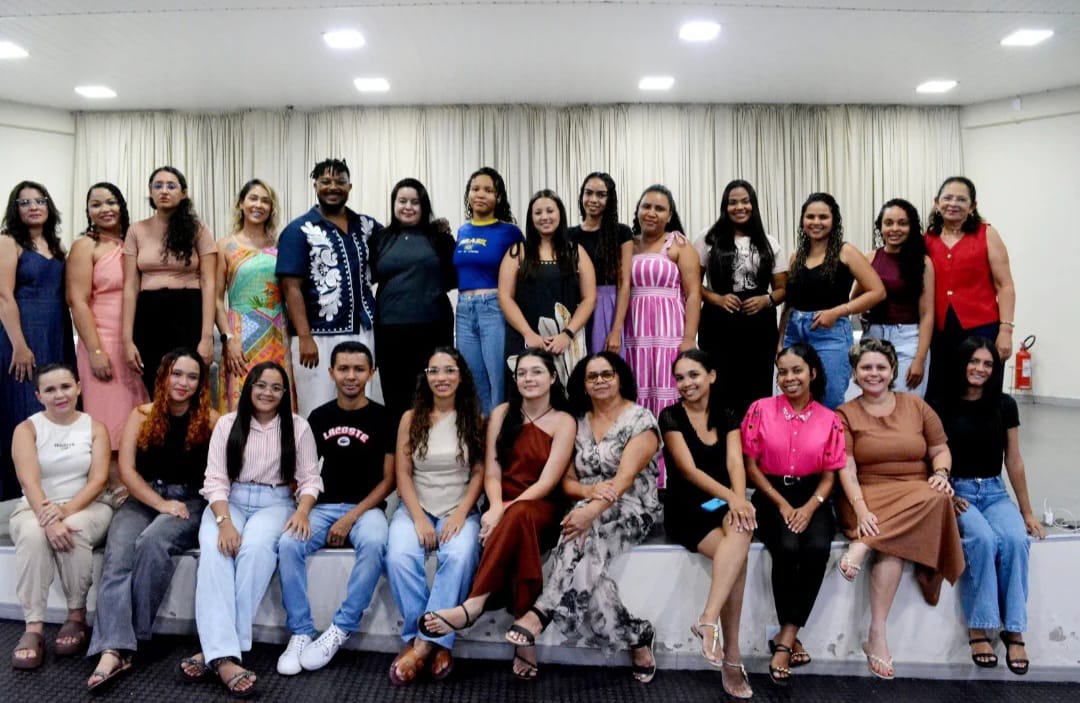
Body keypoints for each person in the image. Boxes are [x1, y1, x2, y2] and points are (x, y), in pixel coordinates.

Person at [505, 352, 662, 684]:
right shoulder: (576, 423)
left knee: (580, 534)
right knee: (585, 549)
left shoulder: (640, 419)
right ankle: (637, 635)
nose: (600, 381)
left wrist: (591, 511)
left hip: (631, 509)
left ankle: (543, 610)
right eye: (593, 376)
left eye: (607, 374)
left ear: (620, 378)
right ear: (584, 384)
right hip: (584, 506)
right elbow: (567, 483)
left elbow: (624, 479)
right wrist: (588, 496)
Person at [420, 349, 575, 680]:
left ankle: (474, 604)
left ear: (553, 377)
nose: (528, 379)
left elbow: (547, 482)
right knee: (518, 525)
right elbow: (491, 472)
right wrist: (494, 507)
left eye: (537, 372)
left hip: (542, 507)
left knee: (520, 515)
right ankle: (524, 636)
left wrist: (503, 510)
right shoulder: (503, 413)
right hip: (501, 504)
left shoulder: (564, 421)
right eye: (522, 373)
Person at [181, 361, 321, 698]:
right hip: (230, 500)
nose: (267, 393)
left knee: (256, 552)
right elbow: (215, 480)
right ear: (249, 387)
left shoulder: (298, 426)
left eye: (276, 388)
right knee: (215, 553)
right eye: (261, 385)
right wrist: (224, 523)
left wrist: (303, 511)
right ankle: (226, 658)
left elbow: (309, 479)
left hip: (276, 502)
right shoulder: (227, 423)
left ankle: (216, 651)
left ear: (284, 393)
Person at [86, 349, 218, 693]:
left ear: (201, 384)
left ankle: (131, 639)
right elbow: (127, 470)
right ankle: (112, 649)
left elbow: (219, 473)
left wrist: (174, 506)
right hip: (145, 497)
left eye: (192, 376)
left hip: (190, 501)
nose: (183, 382)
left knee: (152, 541)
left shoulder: (211, 420)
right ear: (163, 376)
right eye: (177, 374)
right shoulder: (141, 415)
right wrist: (160, 503)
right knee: (118, 553)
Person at [835, 337, 964, 680]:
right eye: (866, 367)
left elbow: (940, 450)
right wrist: (861, 509)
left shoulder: (916, 406)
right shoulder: (844, 414)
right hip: (866, 493)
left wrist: (940, 473)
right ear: (855, 373)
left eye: (880, 367)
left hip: (913, 492)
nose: (873, 373)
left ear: (892, 370)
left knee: (938, 496)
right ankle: (877, 634)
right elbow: (846, 468)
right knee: (899, 537)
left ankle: (866, 548)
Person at [276, 342, 395, 675]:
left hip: (366, 510)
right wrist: (302, 510)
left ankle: (340, 628)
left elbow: (390, 480)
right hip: (323, 507)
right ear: (331, 373)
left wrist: (350, 518)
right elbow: (306, 472)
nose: (351, 376)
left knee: (375, 542)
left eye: (359, 369)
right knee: (288, 543)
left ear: (371, 373)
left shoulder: (385, 418)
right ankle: (301, 631)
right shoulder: (319, 417)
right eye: (343, 369)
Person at [938, 336, 1045, 675]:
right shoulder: (942, 403)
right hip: (958, 493)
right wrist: (946, 495)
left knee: (1015, 540)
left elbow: (1014, 460)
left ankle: (1014, 629)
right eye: (974, 361)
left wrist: (1026, 512)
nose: (980, 369)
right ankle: (979, 627)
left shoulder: (1005, 405)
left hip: (995, 492)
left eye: (987, 364)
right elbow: (931, 455)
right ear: (962, 363)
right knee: (982, 540)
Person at [741, 344, 846, 686]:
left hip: (814, 495)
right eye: (783, 372)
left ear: (812, 373)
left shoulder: (830, 419)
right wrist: (783, 506)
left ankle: (786, 636)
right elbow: (751, 467)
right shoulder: (760, 409)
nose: (789, 378)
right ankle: (790, 640)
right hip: (771, 493)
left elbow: (830, 476)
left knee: (816, 548)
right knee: (787, 547)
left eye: (797, 370)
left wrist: (809, 506)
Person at [386, 346, 485, 685]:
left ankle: (423, 645)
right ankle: (433, 642)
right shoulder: (410, 418)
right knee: (399, 556)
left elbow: (479, 472)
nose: (441, 378)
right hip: (417, 506)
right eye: (434, 371)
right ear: (426, 377)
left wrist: (460, 514)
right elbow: (403, 474)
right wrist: (418, 518)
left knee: (460, 555)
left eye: (449, 370)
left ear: (461, 376)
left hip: (460, 508)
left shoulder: (475, 418)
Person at [661, 350, 755, 698]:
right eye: (680, 378)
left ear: (711, 376)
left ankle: (707, 620)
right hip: (686, 507)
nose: (686, 383)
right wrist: (734, 499)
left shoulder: (727, 412)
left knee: (742, 528)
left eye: (694, 375)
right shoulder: (670, 416)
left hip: (723, 502)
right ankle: (732, 657)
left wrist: (739, 501)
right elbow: (688, 470)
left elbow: (735, 463)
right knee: (737, 559)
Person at [9, 364, 112, 669]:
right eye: (50, 390)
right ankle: (34, 627)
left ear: (78, 387)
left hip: (87, 506)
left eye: (65, 387)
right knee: (32, 533)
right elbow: (29, 482)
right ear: (39, 396)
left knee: (74, 528)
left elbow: (98, 480)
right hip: (37, 506)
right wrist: (50, 518)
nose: (60, 395)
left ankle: (76, 616)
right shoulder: (26, 429)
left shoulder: (95, 428)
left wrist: (65, 512)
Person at [276, 158, 383, 415]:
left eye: (340, 182)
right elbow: (291, 287)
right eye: (325, 181)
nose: (333, 187)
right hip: (317, 335)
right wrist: (304, 337)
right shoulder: (298, 230)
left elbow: (392, 254)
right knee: (317, 407)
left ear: (350, 187)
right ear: (315, 186)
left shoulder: (367, 226)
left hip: (364, 331)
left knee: (364, 404)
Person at [0, 181, 75, 499]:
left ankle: (57, 490)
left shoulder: (57, 247)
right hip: (23, 335)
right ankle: (18, 493)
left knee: (59, 409)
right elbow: (3, 295)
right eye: (24, 202)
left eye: (39, 200)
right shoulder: (8, 242)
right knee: (24, 408)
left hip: (57, 333)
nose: (33, 207)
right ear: (15, 210)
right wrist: (19, 344)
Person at [67, 183, 149, 469]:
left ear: (121, 206)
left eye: (111, 202)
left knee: (138, 415)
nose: (105, 209)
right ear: (88, 211)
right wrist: (95, 351)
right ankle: (112, 482)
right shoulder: (86, 246)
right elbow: (77, 301)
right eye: (96, 204)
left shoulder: (134, 242)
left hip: (135, 341)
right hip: (102, 341)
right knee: (109, 418)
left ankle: (136, 479)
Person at [623, 184, 700, 487]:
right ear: (638, 210)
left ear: (669, 215)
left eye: (659, 208)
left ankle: (671, 475)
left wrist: (689, 339)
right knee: (637, 393)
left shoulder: (678, 244)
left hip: (669, 332)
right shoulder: (628, 244)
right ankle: (638, 472)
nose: (651, 213)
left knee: (669, 394)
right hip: (634, 333)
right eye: (647, 206)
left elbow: (693, 295)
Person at [780, 192, 885, 410]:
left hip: (831, 333)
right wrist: (780, 341)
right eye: (810, 217)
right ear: (802, 221)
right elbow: (789, 304)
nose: (816, 222)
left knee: (828, 399)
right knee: (794, 399)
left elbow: (877, 291)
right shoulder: (796, 256)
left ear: (834, 220)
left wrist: (839, 311)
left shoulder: (846, 252)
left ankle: (831, 435)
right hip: (794, 332)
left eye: (823, 217)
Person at [122, 166, 217, 395]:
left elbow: (209, 282)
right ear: (150, 191)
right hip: (149, 314)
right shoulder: (136, 230)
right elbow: (130, 286)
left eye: (171, 186)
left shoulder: (198, 229)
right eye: (158, 186)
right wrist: (126, 340)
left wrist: (206, 337)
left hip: (188, 311)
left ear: (183, 193)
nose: (164, 191)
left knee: (187, 384)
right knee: (156, 385)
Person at [697, 179, 787, 417]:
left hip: (759, 329)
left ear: (753, 205)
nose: (739, 207)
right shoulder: (708, 238)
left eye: (745, 202)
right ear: (724, 206)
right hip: (718, 327)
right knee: (719, 391)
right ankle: (723, 440)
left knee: (757, 392)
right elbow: (692, 285)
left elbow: (782, 289)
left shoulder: (770, 242)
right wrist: (716, 299)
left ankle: (754, 439)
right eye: (733, 202)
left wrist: (767, 300)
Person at [369, 178, 456, 422]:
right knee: (396, 400)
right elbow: (368, 277)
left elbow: (453, 279)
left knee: (432, 396)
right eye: (402, 201)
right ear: (393, 204)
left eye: (415, 202)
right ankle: (401, 445)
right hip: (389, 331)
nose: (408, 207)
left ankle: (433, 445)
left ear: (424, 206)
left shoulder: (440, 238)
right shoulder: (379, 239)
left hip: (433, 330)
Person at [925, 176, 1016, 401]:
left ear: (972, 206)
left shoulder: (987, 234)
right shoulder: (927, 240)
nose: (953, 204)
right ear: (937, 202)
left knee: (982, 394)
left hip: (983, 330)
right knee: (942, 393)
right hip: (940, 333)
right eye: (947, 198)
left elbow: (1005, 285)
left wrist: (1006, 331)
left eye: (961, 199)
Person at [498, 189, 596, 384]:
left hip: (567, 341)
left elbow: (589, 298)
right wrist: (529, 334)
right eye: (538, 212)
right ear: (531, 218)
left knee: (569, 394)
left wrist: (567, 334)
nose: (544, 217)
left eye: (550, 211)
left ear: (560, 214)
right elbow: (504, 297)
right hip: (525, 339)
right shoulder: (517, 252)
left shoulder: (576, 252)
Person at [215, 179, 291, 412]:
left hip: (277, 332)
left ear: (271, 208)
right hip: (240, 334)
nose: (259, 205)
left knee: (277, 394)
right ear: (241, 204)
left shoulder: (282, 245)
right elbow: (216, 299)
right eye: (253, 198)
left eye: (265, 201)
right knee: (242, 395)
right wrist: (228, 339)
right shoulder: (225, 246)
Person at [453, 167, 523, 415]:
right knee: (472, 380)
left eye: (488, 190)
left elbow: (521, 275)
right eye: (475, 189)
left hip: (494, 308)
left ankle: (500, 433)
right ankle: (481, 432)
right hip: (463, 310)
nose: (480, 194)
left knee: (498, 380)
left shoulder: (510, 232)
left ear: (498, 196)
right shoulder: (462, 231)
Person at [854, 198, 934, 398]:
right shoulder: (870, 258)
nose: (895, 229)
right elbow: (855, 299)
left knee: (905, 406)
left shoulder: (923, 262)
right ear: (880, 227)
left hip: (908, 340)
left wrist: (919, 359)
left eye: (902, 223)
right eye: (888, 223)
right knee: (872, 403)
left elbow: (927, 315)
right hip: (873, 338)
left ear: (911, 227)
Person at [568, 172, 633, 354]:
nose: (593, 199)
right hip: (577, 306)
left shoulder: (622, 233)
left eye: (601, 195)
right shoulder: (569, 235)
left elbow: (624, 283)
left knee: (605, 363)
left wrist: (616, 330)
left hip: (608, 307)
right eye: (588, 193)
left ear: (610, 199)